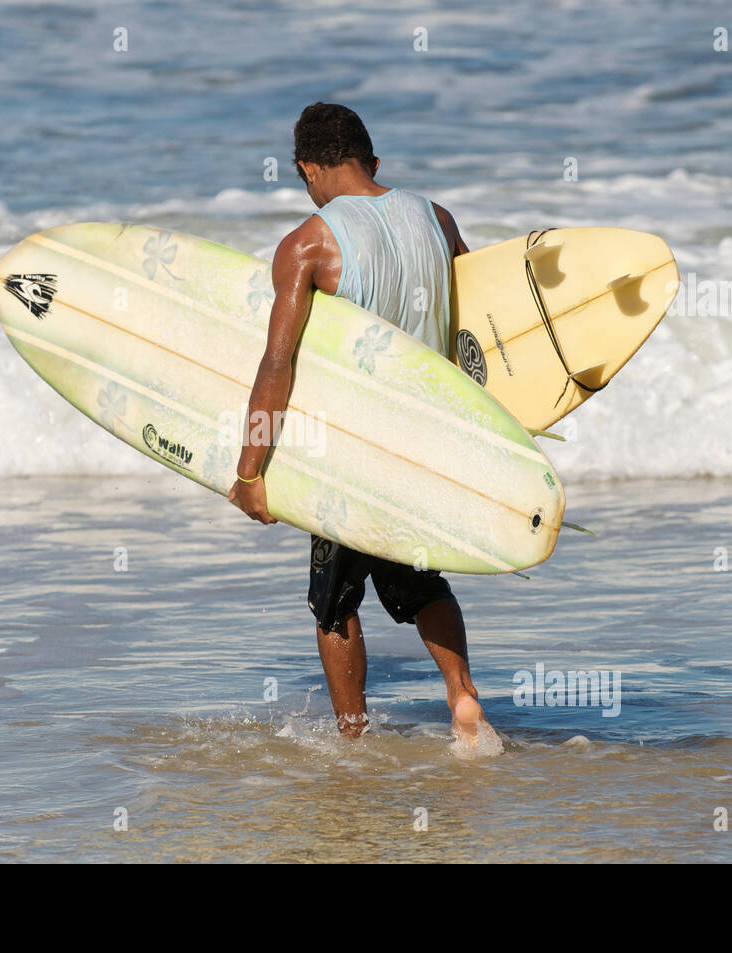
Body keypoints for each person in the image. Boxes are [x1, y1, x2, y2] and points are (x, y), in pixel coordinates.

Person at [227, 102, 500, 750]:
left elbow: (278, 361)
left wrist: (249, 471)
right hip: (428, 438)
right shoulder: (436, 217)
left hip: (352, 450)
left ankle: (352, 738)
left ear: (306, 168)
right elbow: (483, 322)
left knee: (335, 598)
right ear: (372, 161)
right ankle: (462, 696)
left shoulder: (309, 244)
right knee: (416, 577)